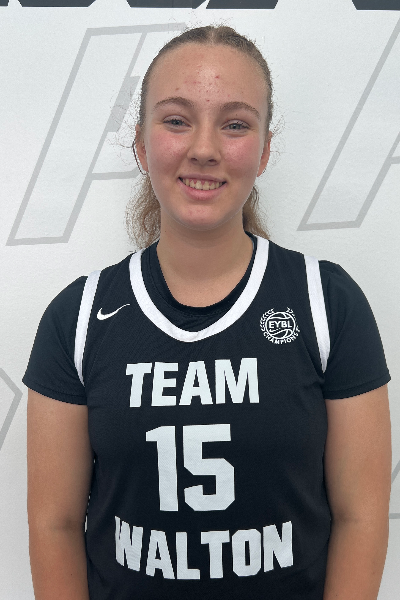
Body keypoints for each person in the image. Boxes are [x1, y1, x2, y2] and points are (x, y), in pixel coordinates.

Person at [25, 25, 392, 600]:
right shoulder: (77, 318)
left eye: (235, 124)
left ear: (264, 150)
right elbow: (55, 524)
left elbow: (361, 517)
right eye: (176, 120)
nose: (204, 148)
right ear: (141, 145)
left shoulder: (327, 303)